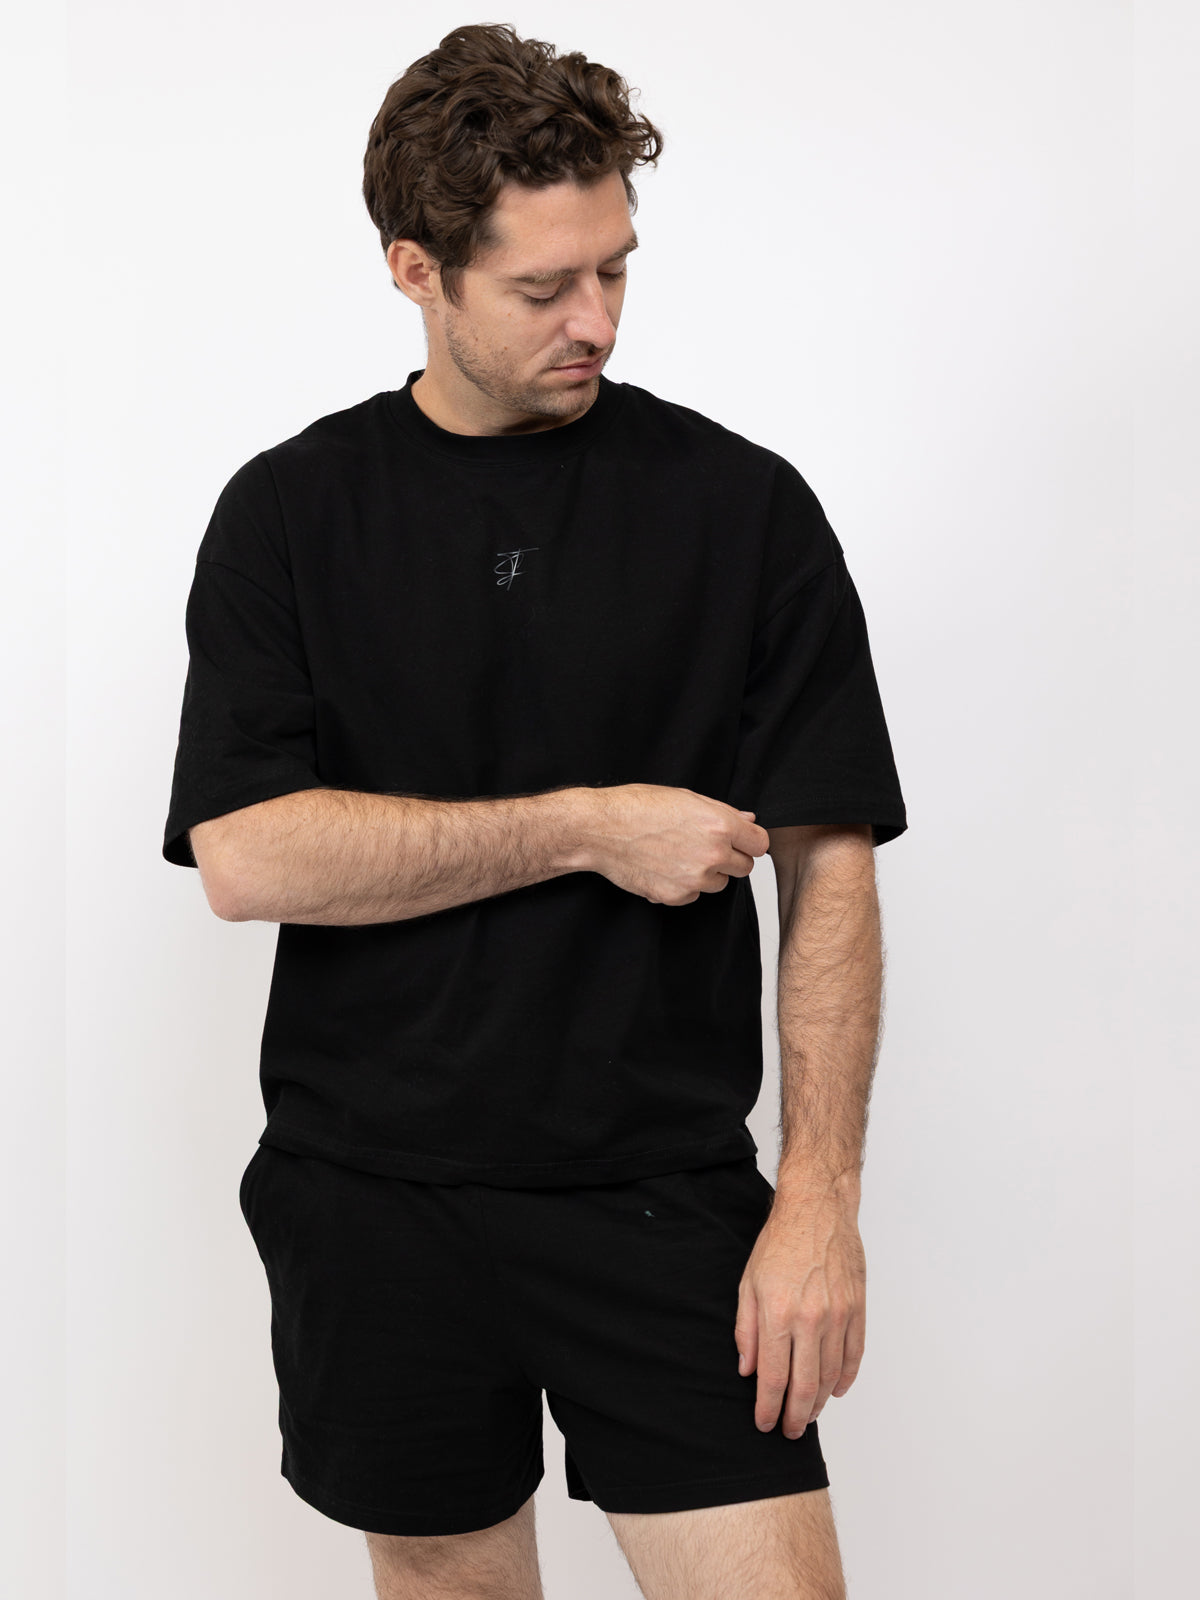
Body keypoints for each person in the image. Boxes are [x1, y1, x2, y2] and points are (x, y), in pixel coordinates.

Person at [162, 22, 907, 1600]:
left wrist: (818, 1203)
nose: (598, 322)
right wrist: (585, 825)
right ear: (416, 270)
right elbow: (247, 853)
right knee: (444, 1577)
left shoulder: (742, 509)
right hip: (371, 1194)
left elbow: (830, 861)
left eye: (617, 270)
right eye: (544, 287)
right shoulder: (291, 514)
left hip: (664, 1193)